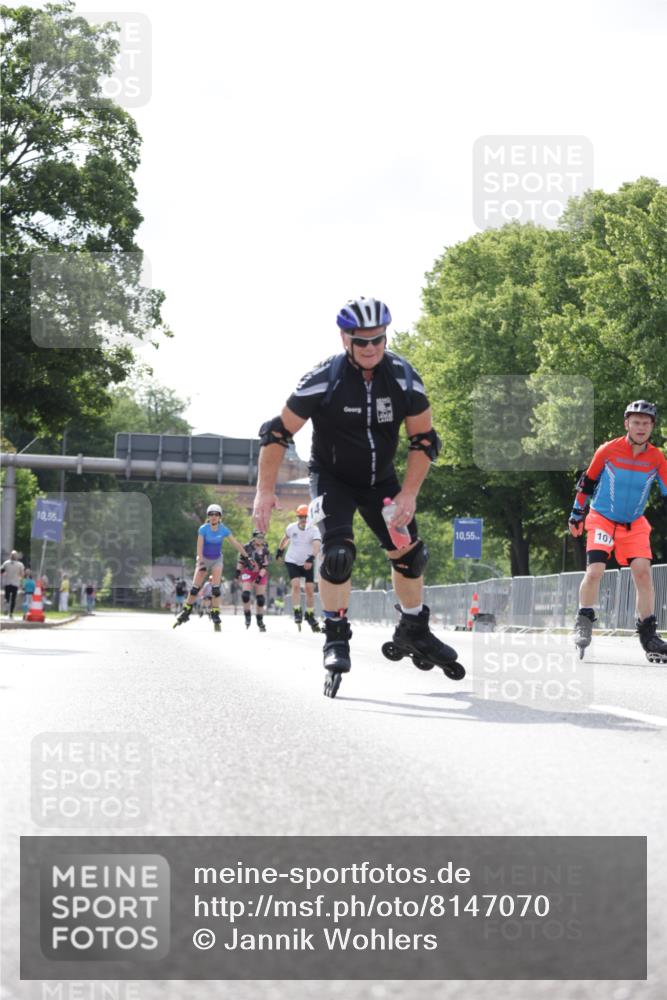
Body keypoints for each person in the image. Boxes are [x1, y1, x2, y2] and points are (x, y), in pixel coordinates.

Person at [252, 295, 465, 695]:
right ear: (344, 339)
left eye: (378, 340)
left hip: (382, 483)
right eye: (361, 341)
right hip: (331, 480)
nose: (370, 348)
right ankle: (335, 635)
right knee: (336, 556)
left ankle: (414, 626)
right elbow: (277, 433)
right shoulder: (323, 378)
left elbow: (424, 440)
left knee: (410, 553)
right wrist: (264, 492)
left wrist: (408, 494)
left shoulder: (403, 376)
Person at [568, 400, 667, 662]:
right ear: (627, 424)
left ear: (652, 427)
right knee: (595, 571)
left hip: (634, 524)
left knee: (644, 574)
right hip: (602, 519)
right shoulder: (609, 450)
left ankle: (649, 636)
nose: (641, 427)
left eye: (646, 423)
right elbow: (586, 482)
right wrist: (576, 513)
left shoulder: (656, 457)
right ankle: (584, 618)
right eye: (636, 422)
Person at [174, 503, 253, 631]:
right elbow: (199, 548)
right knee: (194, 589)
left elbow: (236, 544)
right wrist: (200, 563)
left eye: (216, 514)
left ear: (220, 516)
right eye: (211, 514)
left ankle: (215, 614)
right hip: (203, 559)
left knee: (216, 590)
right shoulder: (203, 529)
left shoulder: (224, 530)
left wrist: (246, 557)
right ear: (208, 516)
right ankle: (186, 611)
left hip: (217, 559)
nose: (214, 517)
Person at [275, 504, 322, 631]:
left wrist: (311, 558)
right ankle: (297, 611)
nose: (303, 520)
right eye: (301, 517)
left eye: (306, 517)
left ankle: (310, 614)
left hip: (307, 561)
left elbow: (317, 545)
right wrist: (280, 551)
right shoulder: (291, 528)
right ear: (298, 517)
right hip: (292, 560)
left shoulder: (314, 530)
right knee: (295, 585)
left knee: (309, 589)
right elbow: (285, 539)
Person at [236, 529, 270, 632]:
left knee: (260, 599)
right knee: (246, 595)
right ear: (254, 538)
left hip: (260, 572)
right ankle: (247, 615)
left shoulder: (265, 549)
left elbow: (265, 566)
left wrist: (259, 578)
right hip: (248, 571)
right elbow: (241, 561)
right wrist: (237, 573)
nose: (261, 540)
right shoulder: (246, 547)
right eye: (258, 537)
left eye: (262, 537)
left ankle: (260, 620)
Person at [1, 550, 25, 618]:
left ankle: (6, 607)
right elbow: (22, 574)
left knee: (7, 597)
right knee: (13, 598)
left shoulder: (6, 563)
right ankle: (11, 613)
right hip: (15, 583)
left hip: (7, 582)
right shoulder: (20, 564)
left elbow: (1, 571)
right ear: (16, 556)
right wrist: (21, 582)